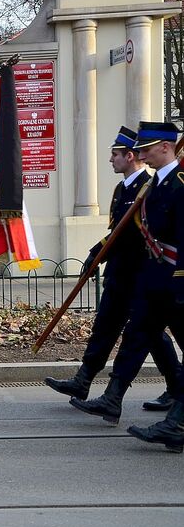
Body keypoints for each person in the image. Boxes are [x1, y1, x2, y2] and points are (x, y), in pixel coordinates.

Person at [45, 126, 178, 409]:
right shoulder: (125, 189)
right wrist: (96, 254)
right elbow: (116, 229)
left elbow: (131, 233)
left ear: (130, 157)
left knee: (147, 334)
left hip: (141, 273)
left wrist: (100, 253)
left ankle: (174, 387)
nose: (110, 160)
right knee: (108, 328)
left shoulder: (148, 186)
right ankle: (85, 381)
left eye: (115, 155)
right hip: (121, 273)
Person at [125, 124, 184, 452]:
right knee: (141, 334)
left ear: (165, 147)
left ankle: (176, 423)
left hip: (175, 279)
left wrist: (180, 282)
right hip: (156, 279)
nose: (141, 154)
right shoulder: (154, 185)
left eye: (147, 149)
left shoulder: (179, 185)